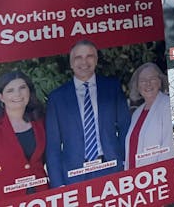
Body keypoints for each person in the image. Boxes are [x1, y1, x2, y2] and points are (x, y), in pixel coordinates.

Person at [45, 40, 130, 187]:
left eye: (89, 56)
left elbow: (125, 127)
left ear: (96, 60)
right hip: (74, 174)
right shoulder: (57, 98)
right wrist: (58, 184)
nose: (84, 62)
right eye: (78, 57)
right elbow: (53, 146)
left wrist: (125, 160)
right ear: (71, 63)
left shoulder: (112, 87)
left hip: (111, 166)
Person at [0, 71, 49, 198]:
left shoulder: (41, 121)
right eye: (10, 90)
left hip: (41, 193)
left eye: (22, 88)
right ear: (1, 97)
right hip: (7, 196)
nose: (17, 94)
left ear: (29, 91)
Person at [124, 63, 174, 170]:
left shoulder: (167, 105)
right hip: (135, 177)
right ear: (137, 86)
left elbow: (168, 146)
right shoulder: (137, 113)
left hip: (156, 175)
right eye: (142, 81)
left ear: (160, 82)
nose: (147, 84)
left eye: (152, 79)